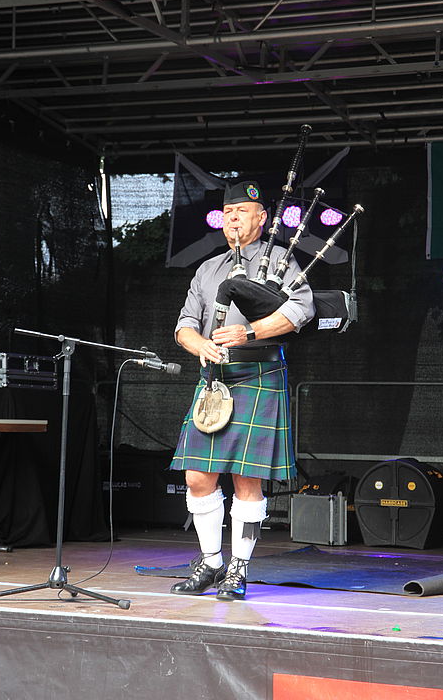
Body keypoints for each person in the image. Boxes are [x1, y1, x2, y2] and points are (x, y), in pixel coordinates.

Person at [170, 180, 314, 601]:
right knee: (197, 476)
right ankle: (211, 562)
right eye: (228, 212)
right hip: (214, 379)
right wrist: (201, 345)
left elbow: (301, 309)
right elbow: (184, 325)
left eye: (242, 211)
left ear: (262, 218)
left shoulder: (282, 260)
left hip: (259, 372)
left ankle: (239, 568)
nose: (233, 218)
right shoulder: (207, 269)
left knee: (247, 478)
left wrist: (249, 332)